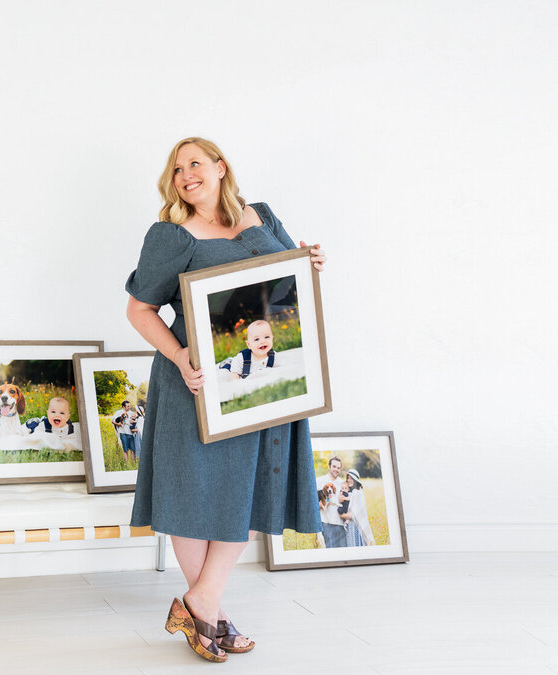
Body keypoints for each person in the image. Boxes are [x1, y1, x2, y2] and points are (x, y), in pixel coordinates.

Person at [124, 137, 327, 662]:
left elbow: (287, 284)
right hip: (194, 383)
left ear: (220, 167)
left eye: (195, 163)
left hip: (262, 381)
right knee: (194, 498)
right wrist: (180, 358)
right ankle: (209, 614)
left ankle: (200, 604)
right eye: (176, 168)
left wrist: (309, 263)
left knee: (250, 487)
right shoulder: (170, 236)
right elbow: (140, 310)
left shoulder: (261, 214)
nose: (185, 174)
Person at [317, 457, 347, 548]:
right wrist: (321, 504)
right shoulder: (319, 481)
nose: (336, 469)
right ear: (329, 467)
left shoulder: (342, 483)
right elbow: (313, 501)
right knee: (330, 550)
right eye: (334, 466)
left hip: (340, 523)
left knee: (343, 551)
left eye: (338, 468)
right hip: (326, 522)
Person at [340, 469, 375, 547]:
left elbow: (352, 515)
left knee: (357, 546)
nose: (349, 480)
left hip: (357, 525)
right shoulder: (349, 492)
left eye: (351, 478)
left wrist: (341, 516)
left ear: (355, 480)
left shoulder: (357, 492)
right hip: (350, 526)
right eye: (348, 478)